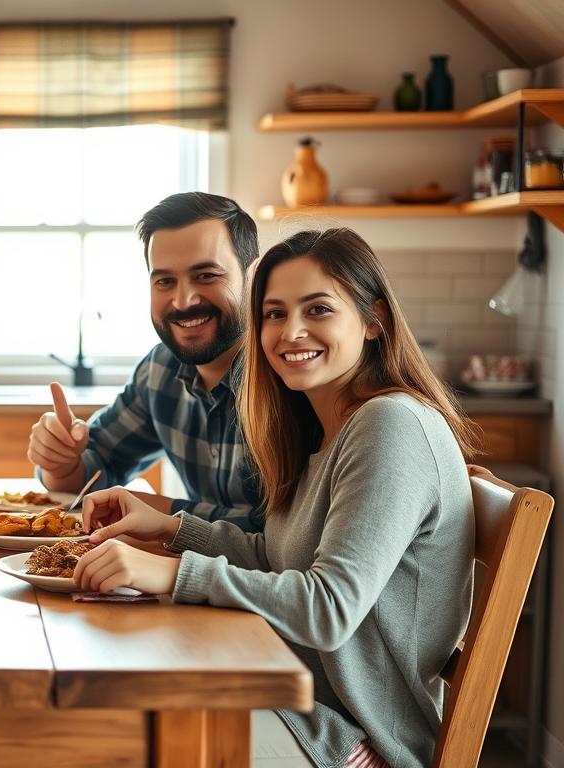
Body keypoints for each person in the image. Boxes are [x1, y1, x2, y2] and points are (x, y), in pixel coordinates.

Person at [74, 228, 476, 767]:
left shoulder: (391, 425)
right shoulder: (324, 427)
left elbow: (328, 608)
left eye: (318, 309)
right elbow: (275, 556)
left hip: (355, 741)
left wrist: (170, 574)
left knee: (110, 729)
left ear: (374, 319)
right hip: (299, 702)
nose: (292, 331)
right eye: (274, 313)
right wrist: (170, 528)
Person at [27, 191, 263, 529]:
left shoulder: (292, 374)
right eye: (165, 280)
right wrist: (59, 461)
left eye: (207, 275)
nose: (183, 301)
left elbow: (290, 537)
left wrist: (162, 512)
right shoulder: (161, 369)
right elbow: (94, 472)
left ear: (254, 276)